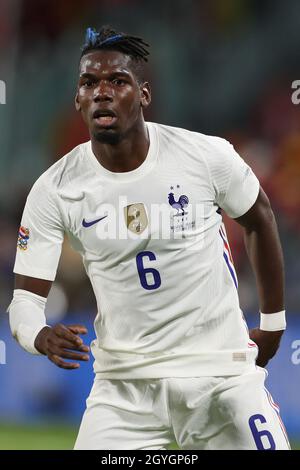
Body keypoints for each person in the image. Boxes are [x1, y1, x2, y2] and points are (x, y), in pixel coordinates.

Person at [8, 26, 290, 450]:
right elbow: (25, 303)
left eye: (117, 81)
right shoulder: (54, 189)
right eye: (89, 83)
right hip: (124, 394)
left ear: (143, 95)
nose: (102, 92)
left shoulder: (204, 156)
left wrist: (272, 323)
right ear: (77, 101)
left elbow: (260, 218)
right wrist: (39, 336)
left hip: (221, 376)